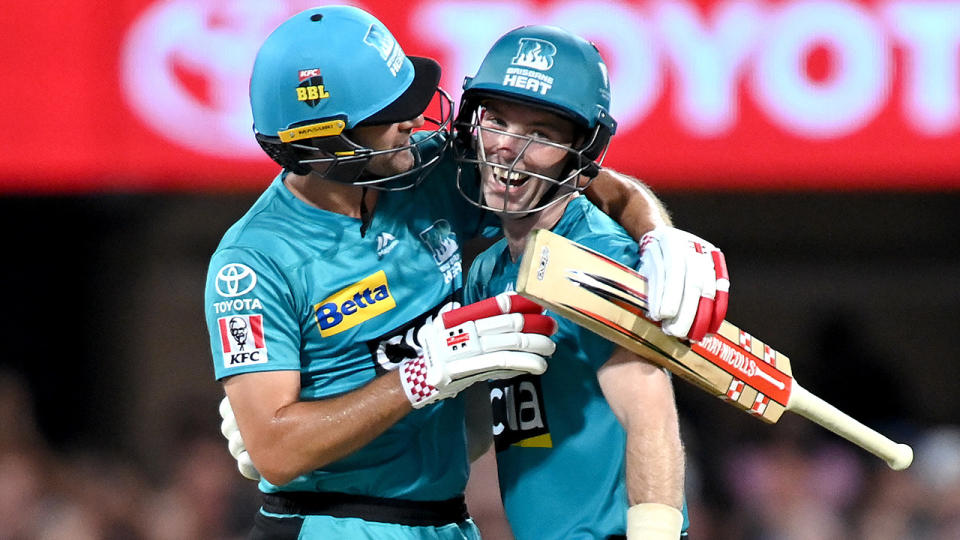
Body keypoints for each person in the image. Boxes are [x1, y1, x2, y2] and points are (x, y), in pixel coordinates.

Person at [208, 6, 726, 539]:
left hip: (447, 524)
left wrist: (657, 234)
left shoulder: (421, 172)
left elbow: (572, 169)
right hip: (334, 524)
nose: (413, 119)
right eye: (389, 111)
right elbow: (277, 451)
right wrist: (420, 375)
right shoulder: (251, 263)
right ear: (328, 143)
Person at [453, 25, 709, 539]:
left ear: (581, 154)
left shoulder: (597, 261)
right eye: (497, 120)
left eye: (541, 136)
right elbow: (487, 425)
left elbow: (650, 418)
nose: (506, 148)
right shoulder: (489, 270)